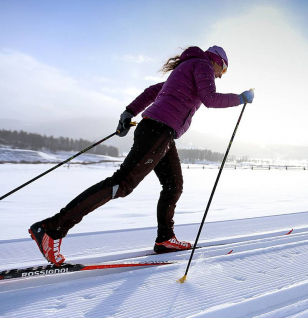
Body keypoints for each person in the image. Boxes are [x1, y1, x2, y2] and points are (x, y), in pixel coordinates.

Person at [28, 45, 255, 265]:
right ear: (217, 61)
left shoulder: (186, 69)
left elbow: (153, 91)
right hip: (158, 130)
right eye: (223, 70)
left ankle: (165, 239)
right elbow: (211, 99)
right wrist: (240, 98)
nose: (221, 75)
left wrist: (129, 112)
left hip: (163, 133)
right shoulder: (202, 65)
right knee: (121, 184)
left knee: (173, 185)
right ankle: (51, 229)